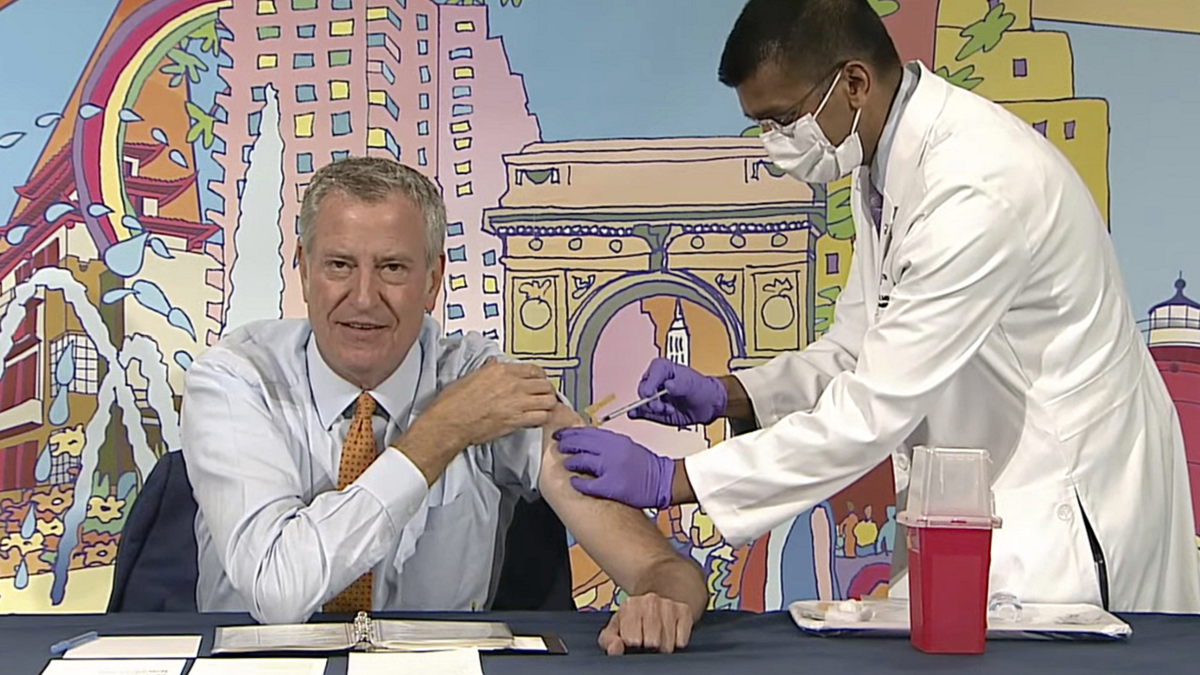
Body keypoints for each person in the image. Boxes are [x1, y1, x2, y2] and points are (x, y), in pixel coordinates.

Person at [552, 0, 1200, 613]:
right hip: (983, 497)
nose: (773, 143)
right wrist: (732, 394)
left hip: (1066, 505)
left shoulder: (972, 191)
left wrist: (677, 477)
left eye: (781, 118)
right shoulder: (883, 166)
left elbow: (872, 408)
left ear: (854, 83)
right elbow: (857, 348)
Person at [180, 156, 708, 655]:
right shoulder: (234, 380)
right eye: (340, 265)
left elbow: (660, 568)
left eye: (392, 268)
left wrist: (663, 599)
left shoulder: (489, 384)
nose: (363, 297)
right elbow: (279, 591)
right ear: (302, 267)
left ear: (433, 281)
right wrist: (443, 430)